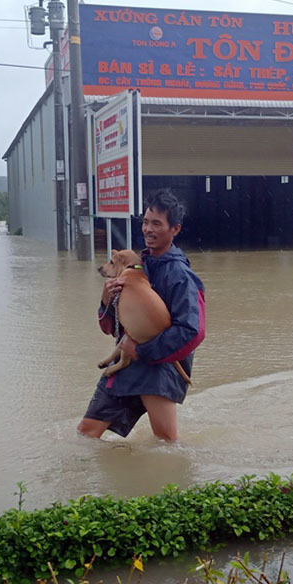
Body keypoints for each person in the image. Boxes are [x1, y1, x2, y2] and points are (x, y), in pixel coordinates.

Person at [77, 189, 205, 442]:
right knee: (86, 434)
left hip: (159, 370)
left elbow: (192, 331)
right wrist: (105, 302)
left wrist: (144, 351)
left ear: (175, 229)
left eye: (157, 223)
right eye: (146, 222)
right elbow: (113, 328)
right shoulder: (134, 266)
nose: (148, 229)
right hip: (125, 366)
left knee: (166, 443)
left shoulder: (180, 275)